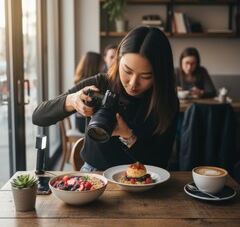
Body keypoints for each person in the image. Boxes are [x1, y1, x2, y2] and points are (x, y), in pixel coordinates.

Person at [32, 26, 179, 171]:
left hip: (145, 178)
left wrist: (128, 136)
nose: (133, 83)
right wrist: (71, 100)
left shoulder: (166, 101)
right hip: (95, 176)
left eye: (146, 76)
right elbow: (38, 117)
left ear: (160, 74)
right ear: (118, 59)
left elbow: (160, 163)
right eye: (127, 71)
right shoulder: (100, 84)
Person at [73, 51, 102, 133]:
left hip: (79, 121)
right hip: (85, 123)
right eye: (100, 64)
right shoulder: (90, 85)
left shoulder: (79, 81)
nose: (101, 66)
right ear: (95, 65)